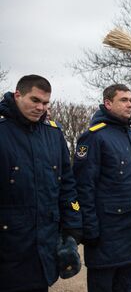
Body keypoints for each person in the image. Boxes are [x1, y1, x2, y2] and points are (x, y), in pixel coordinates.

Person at [73, 84, 131, 292]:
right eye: (123, 100)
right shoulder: (94, 136)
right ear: (108, 103)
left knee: (126, 288)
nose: (129, 104)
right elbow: (83, 187)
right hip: (106, 235)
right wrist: (90, 230)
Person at [0, 75, 82, 292]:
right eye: (35, 100)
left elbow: (68, 186)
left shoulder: (54, 133)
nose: (40, 107)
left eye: (45, 103)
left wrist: (73, 223)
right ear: (18, 94)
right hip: (9, 245)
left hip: (44, 245)